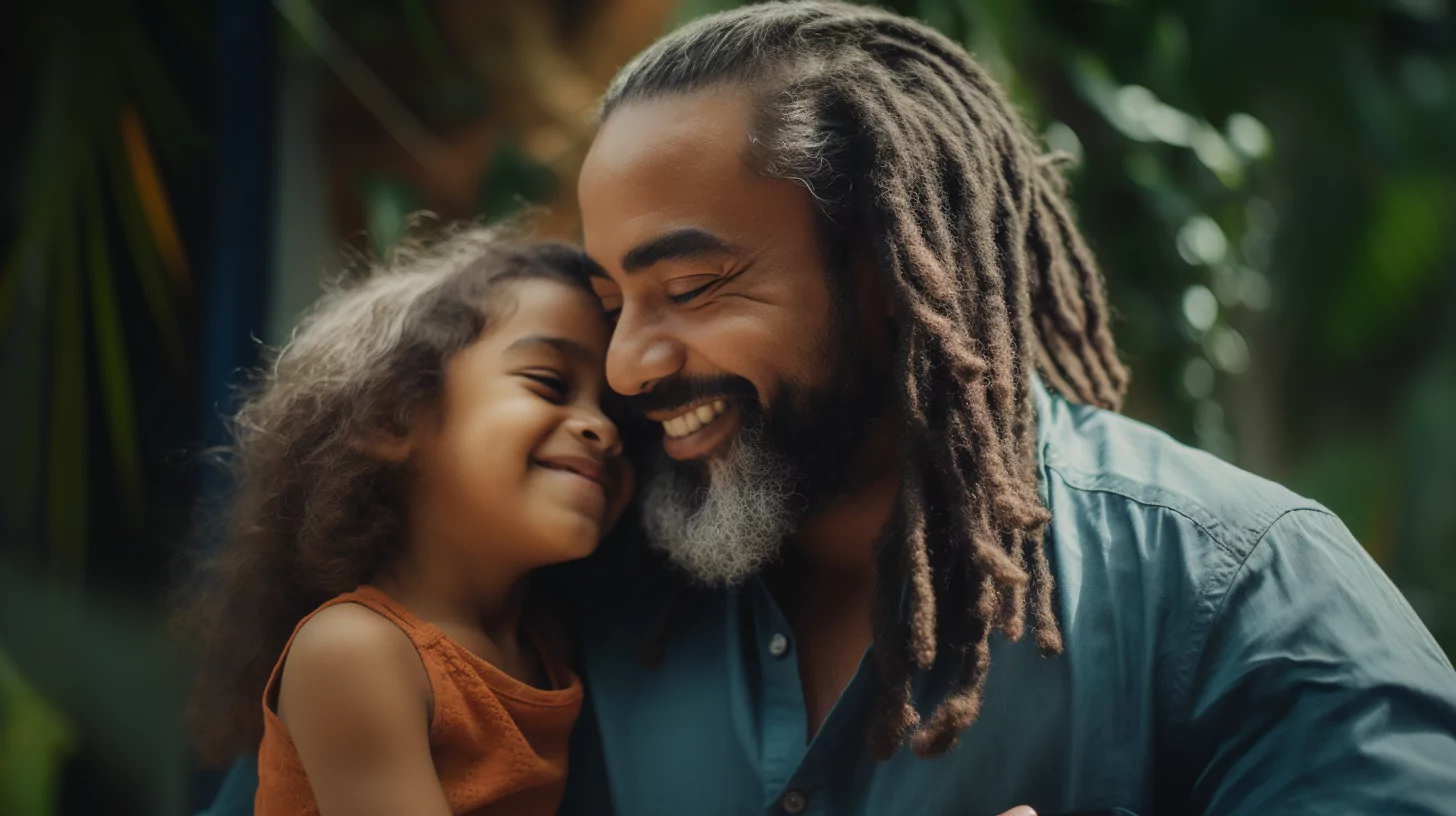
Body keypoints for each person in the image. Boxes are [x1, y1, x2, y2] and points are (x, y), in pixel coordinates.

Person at [204, 3, 1456, 815]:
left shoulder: (1235, 588)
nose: (631, 369)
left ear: (891, 271)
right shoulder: (568, 567)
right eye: (611, 304)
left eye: (690, 287)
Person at [180, 230, 632, 815]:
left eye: (613, 407)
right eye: (550, 383)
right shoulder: (354, 650)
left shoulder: (546, 640)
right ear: (391, 421)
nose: (605, 428)